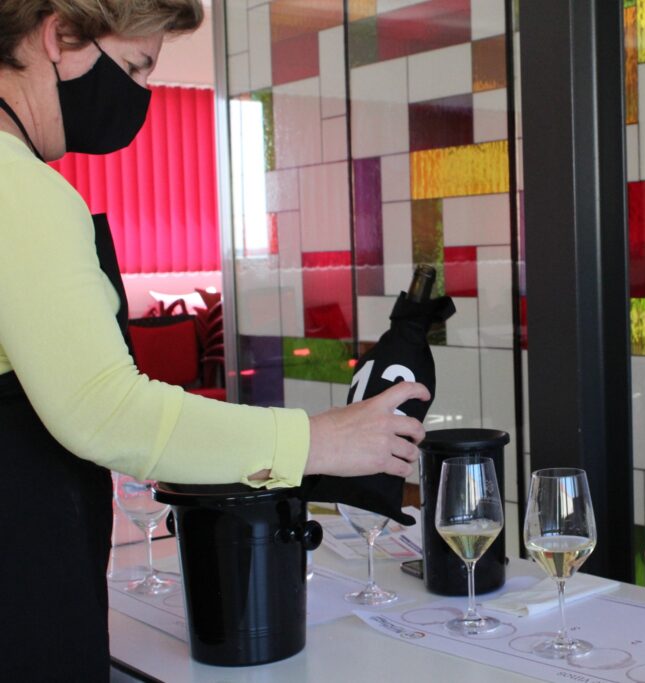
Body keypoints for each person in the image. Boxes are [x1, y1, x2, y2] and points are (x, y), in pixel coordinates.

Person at [0, 2, 429, 678]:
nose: (137, 97)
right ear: (58, 36)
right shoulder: (16, 185)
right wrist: (323, 440)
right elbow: (106, 411)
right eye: (135, 68)